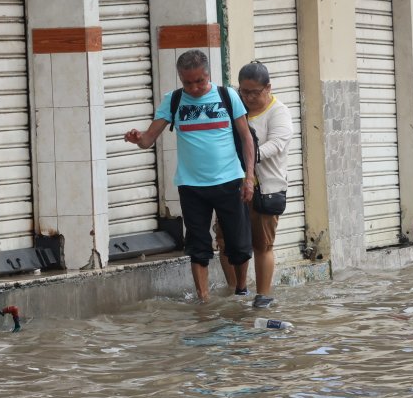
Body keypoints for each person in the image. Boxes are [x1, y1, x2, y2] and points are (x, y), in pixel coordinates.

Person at [124, 50, 256, 302]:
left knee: (238, 243)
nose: (194, 88)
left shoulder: (228, 96)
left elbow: (246, 138)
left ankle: (241, 290)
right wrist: (137, 138)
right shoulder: (172, 101)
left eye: (200, 81)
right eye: (188, 82)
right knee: (198, 245)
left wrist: (249, 177)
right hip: (191, 186)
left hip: (229, 181)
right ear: (180, 79)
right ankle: (203, 299)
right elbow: (148, 139)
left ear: (209, 74)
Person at [219, 61, 293, 309]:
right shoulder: (234, 109)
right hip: (232, 187)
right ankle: (235, 291)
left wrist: (249, 156)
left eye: (254, 92)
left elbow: (277, 144)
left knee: (262, 244)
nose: (249, 97)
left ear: (268, 88)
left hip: (265, 190)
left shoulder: (278, 112)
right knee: (226, 242)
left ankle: (262, 295)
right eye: (244, 92)